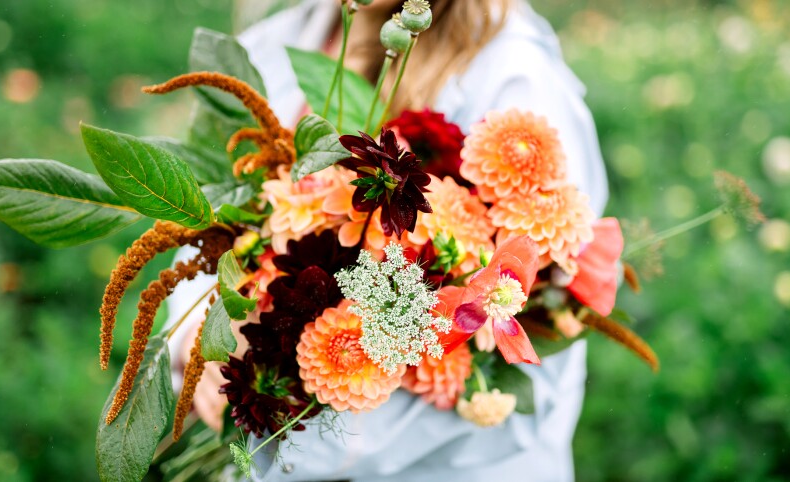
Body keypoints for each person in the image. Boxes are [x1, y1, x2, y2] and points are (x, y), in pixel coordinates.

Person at [166, 0, 609, 480]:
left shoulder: (517, 78)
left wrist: (288, 438)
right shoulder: (275, 42)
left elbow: (534, 366)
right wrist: (203, 340)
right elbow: (210, 219)